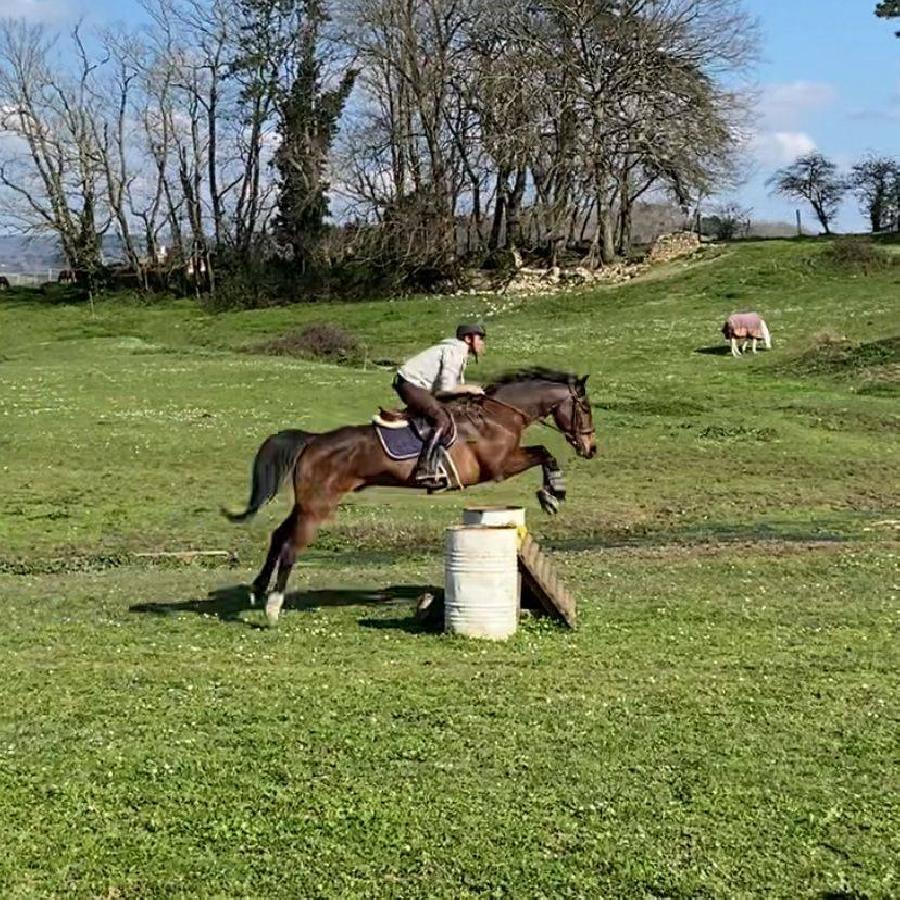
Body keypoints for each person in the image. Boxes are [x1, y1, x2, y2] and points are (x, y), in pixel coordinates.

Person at [393, 323, 486, 482]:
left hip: (416, 386)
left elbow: (454, 387)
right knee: (441, 419)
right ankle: (424, 467)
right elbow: (446, 388)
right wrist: (470, 388)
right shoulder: (455, 351)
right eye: (480, 338)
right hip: (410, 384)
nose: (483, 343)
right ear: (468, 338)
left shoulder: (458, 352)